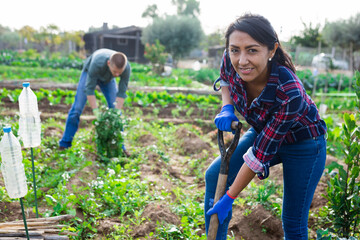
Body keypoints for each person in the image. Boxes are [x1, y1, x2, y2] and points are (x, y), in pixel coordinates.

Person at [205, 13, 327, 239]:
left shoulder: (289, 92)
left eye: (252, 50)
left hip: (304, 144)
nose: (242, 60)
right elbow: (225, 79)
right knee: (214, 177)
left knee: (293, 220)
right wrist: (227, 107)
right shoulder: (230, 57)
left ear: (271, 50)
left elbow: (258, 156)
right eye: (235, 50)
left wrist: (229, 198)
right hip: (264, 130)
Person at [59, 48, 131, 157]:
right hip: (90, 73)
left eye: (119, 73)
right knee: (77, 108)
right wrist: (96, 111)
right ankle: (65, 143)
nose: (117, 75)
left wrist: (116, 112)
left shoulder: (126, 68)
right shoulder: (97, 63)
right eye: (115, 71)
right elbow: (89, 89)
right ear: (108, 63)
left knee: (116, 114)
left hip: (108, 80)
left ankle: (120, 147)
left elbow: (121, 93)